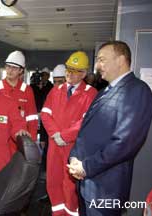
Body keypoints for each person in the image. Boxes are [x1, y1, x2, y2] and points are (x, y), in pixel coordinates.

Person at [68, 41, 152, 216]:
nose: (97, 66)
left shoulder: (137, 90)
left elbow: (125, 143)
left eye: (102, 60)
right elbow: (87, 131)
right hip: (86, 183)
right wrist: (75, 159)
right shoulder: (105, 92)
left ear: (121, 60)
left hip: (105, 188)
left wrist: (86, 167)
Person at [41, 51, 97, 216]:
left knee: (70, 186)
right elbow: (45, 113)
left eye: (75, 71)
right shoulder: (56, 90)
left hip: (74, 148)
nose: (69, 74)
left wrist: (64, 136)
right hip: (55, 146)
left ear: (84, 73)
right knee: (53, 182)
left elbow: (86, 122)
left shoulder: (90, 93)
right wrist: (55, 134)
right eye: (68, 69)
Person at [0, 50, 38, 152]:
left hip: (20, 141)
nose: (10, 71)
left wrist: (31, 141)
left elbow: (32, 118)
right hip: (0, 141)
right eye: (8, 66)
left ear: (21, 70)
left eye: (14, 68)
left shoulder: (27, 90)